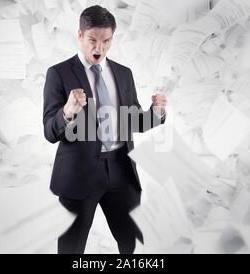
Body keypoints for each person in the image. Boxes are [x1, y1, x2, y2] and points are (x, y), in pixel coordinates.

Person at [43, 5, 167, 254]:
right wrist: (67, 112)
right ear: (80, 35)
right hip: (78, 175)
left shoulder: (123, 73)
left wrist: (156, 113)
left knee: (132, 244)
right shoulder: (58, 73)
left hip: (121, 170)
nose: (99, 48)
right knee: (70, 249)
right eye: (92, 40)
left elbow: (133, 121)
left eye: (106, 41)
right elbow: (49, 131)